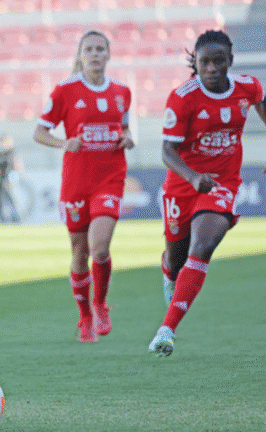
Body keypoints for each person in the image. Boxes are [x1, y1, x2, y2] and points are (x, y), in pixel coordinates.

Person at [148, 30, 266, 357]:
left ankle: (166, 330)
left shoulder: (248, 87)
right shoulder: (183, 97)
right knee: (177, 259)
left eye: (218, 61)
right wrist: (192, 176)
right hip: (182, 185)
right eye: (204, 62)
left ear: (230, 61)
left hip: (222, 184)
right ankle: (170, 272)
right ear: (195, 65)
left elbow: (262, 103)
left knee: (203, 246)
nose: (212, 68)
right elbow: (167, 151)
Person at [32, 30, 134, 343]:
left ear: (108, 54)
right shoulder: (64, 90)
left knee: (99, 246)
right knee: (79, 251)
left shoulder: (121, 91)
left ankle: (101, 305)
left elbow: (125, 126)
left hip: (110, 177)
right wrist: (65, 142)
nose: (94, 54)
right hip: (76, 182)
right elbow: (39, 131)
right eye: (89, 49)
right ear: (80, 55)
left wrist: (127, 138)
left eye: (100, 49)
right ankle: (85, 316)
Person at [0, 134, 22, 223]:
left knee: (12, 197)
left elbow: (18, 166)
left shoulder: (12, 152)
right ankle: (0, 217)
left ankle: (16, 216)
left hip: (10, 178)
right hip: (0, 178)